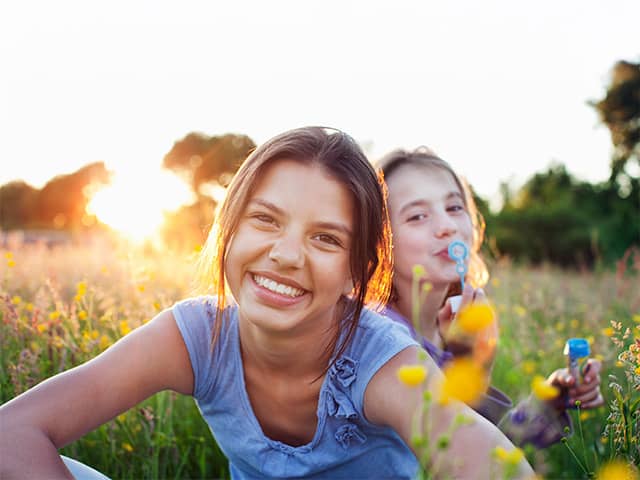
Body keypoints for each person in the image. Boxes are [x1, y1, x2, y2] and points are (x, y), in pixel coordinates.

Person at [0, 127, 533, 479]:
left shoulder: (384, 364)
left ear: (358, 271)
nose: (285, 255)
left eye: (326, 238)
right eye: (265, 220)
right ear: (228, 227)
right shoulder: (196, 336)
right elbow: (13, 429)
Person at [376, 147, 604, 448]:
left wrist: (549, 403)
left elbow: (494, 445)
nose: (447, 226)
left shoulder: (448, 332)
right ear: (379, 240)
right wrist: (473, 368)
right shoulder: (381, 342)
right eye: (418, 216)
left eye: (455, 208)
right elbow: (457, 453)